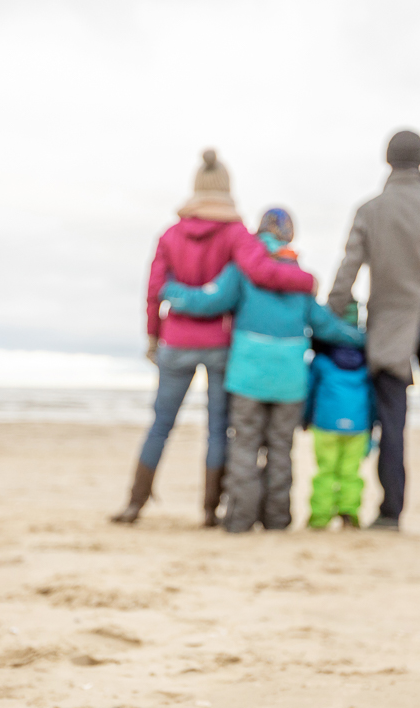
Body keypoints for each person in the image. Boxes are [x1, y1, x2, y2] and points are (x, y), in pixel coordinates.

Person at [111, 151, 317, 526]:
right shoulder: (237, 235)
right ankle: (209, 510)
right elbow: (262, 273)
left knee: (161, 423)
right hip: (221, 346)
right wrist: (306, 282)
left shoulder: (170, 235)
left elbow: (154, 290)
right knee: (219, 427)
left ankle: (134, 504)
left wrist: (153, 337)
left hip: (175, 341)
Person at [162, 208, 364, 534]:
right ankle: (276, 520)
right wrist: (362, 339)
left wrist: (172, 290)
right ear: (290, 237)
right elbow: (327, 327)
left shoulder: (242, 270)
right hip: (289, 381)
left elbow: (207, 302)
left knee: (244, 446)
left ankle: (240, 520)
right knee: (281, 450)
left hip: (247, 377)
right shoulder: (301, 278)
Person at [327, 130, 420, 534]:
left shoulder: (370, 210)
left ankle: (392, 512)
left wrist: (330, 315)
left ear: (388, 160)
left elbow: (348, 269)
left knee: (392, 424)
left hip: (390, 329)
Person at [303, 303, 377, 530]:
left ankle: (320, 517)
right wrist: (372, 425)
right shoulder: (368, 362)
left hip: (325, 423)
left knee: (325, 471)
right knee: (351, 473)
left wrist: (304, 419)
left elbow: (310, 392)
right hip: (358, 426)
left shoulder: (322, 361)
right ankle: (349, 513)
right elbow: (373, 399)